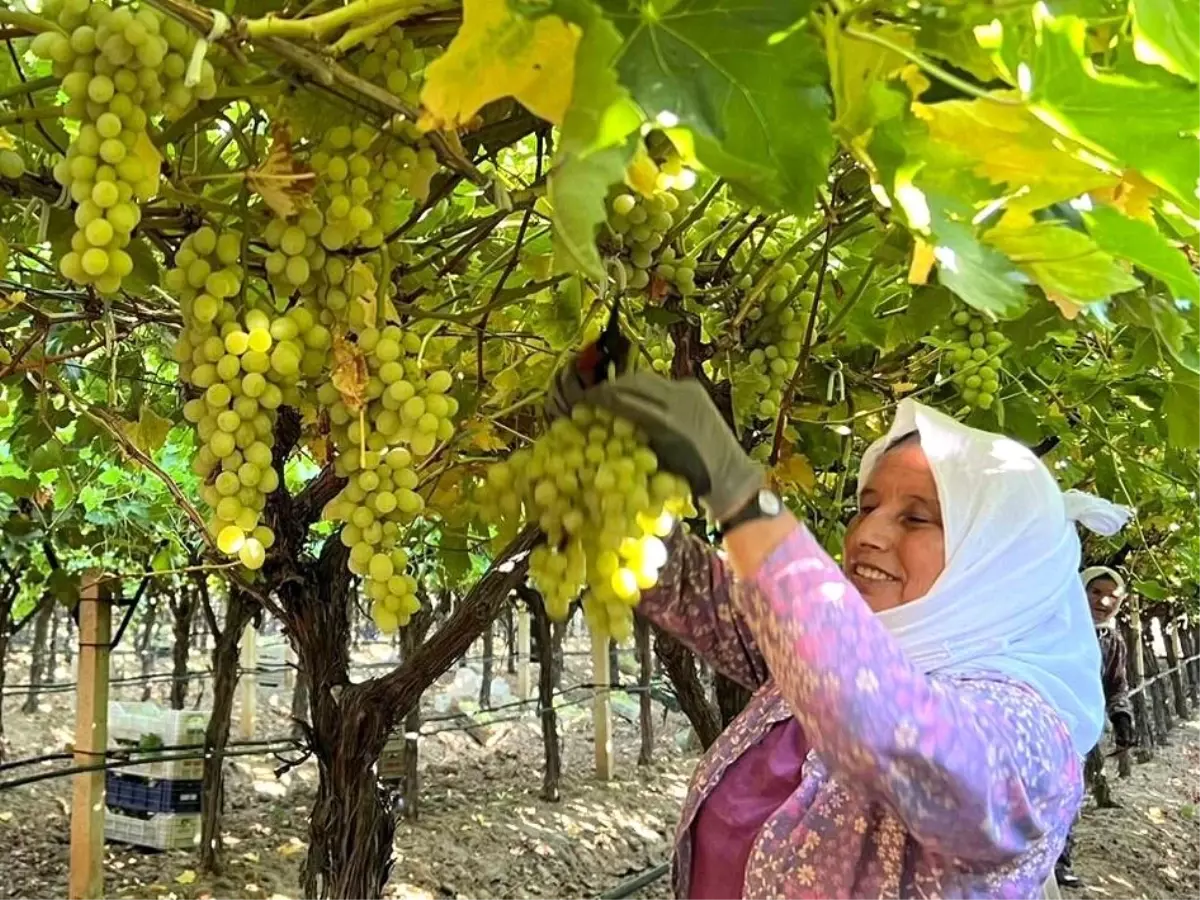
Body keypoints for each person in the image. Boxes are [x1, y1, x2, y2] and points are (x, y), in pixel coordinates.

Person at [548, 369, 1131, 898]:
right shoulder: (819, 653)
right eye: (867, 505)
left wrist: (735, 486)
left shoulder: (1030, 738)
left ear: (996, 558)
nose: (866, 534)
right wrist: (599, 492)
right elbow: (699, 592)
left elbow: (886, 724)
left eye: (917, 517)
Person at [1054, 566, 1135, 887]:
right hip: (1042, 717)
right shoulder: (1057, 626)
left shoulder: (1112, 640)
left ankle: (1059, 863)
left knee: (1069, 793)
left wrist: (1122, 718)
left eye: (1112, 596)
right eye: (1095, 592)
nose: (1103, 601)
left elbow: (1116, 685)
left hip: (1079, 730)